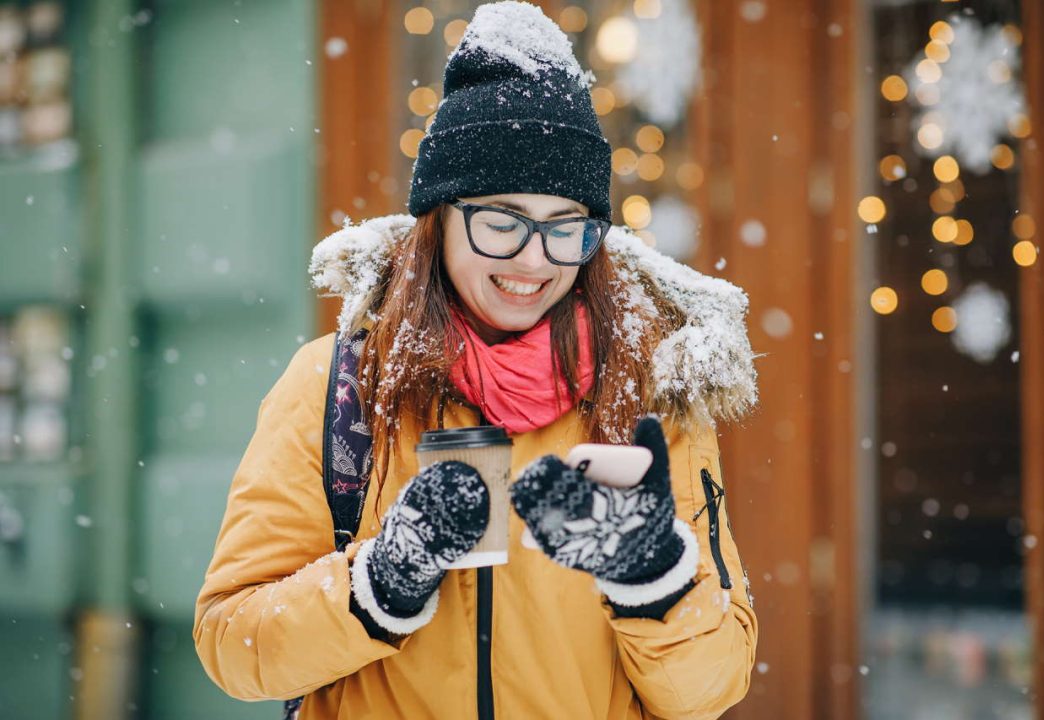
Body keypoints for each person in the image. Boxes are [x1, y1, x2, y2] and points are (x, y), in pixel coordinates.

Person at [194, 2, 759, 718]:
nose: (534, 260)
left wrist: (652, 579)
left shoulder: (648, 397)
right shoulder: (338, 387)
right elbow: (231, 645)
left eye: (566, 229)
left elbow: (712, 689)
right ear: (439, 221)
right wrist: (381, 581)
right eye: (501, 222)